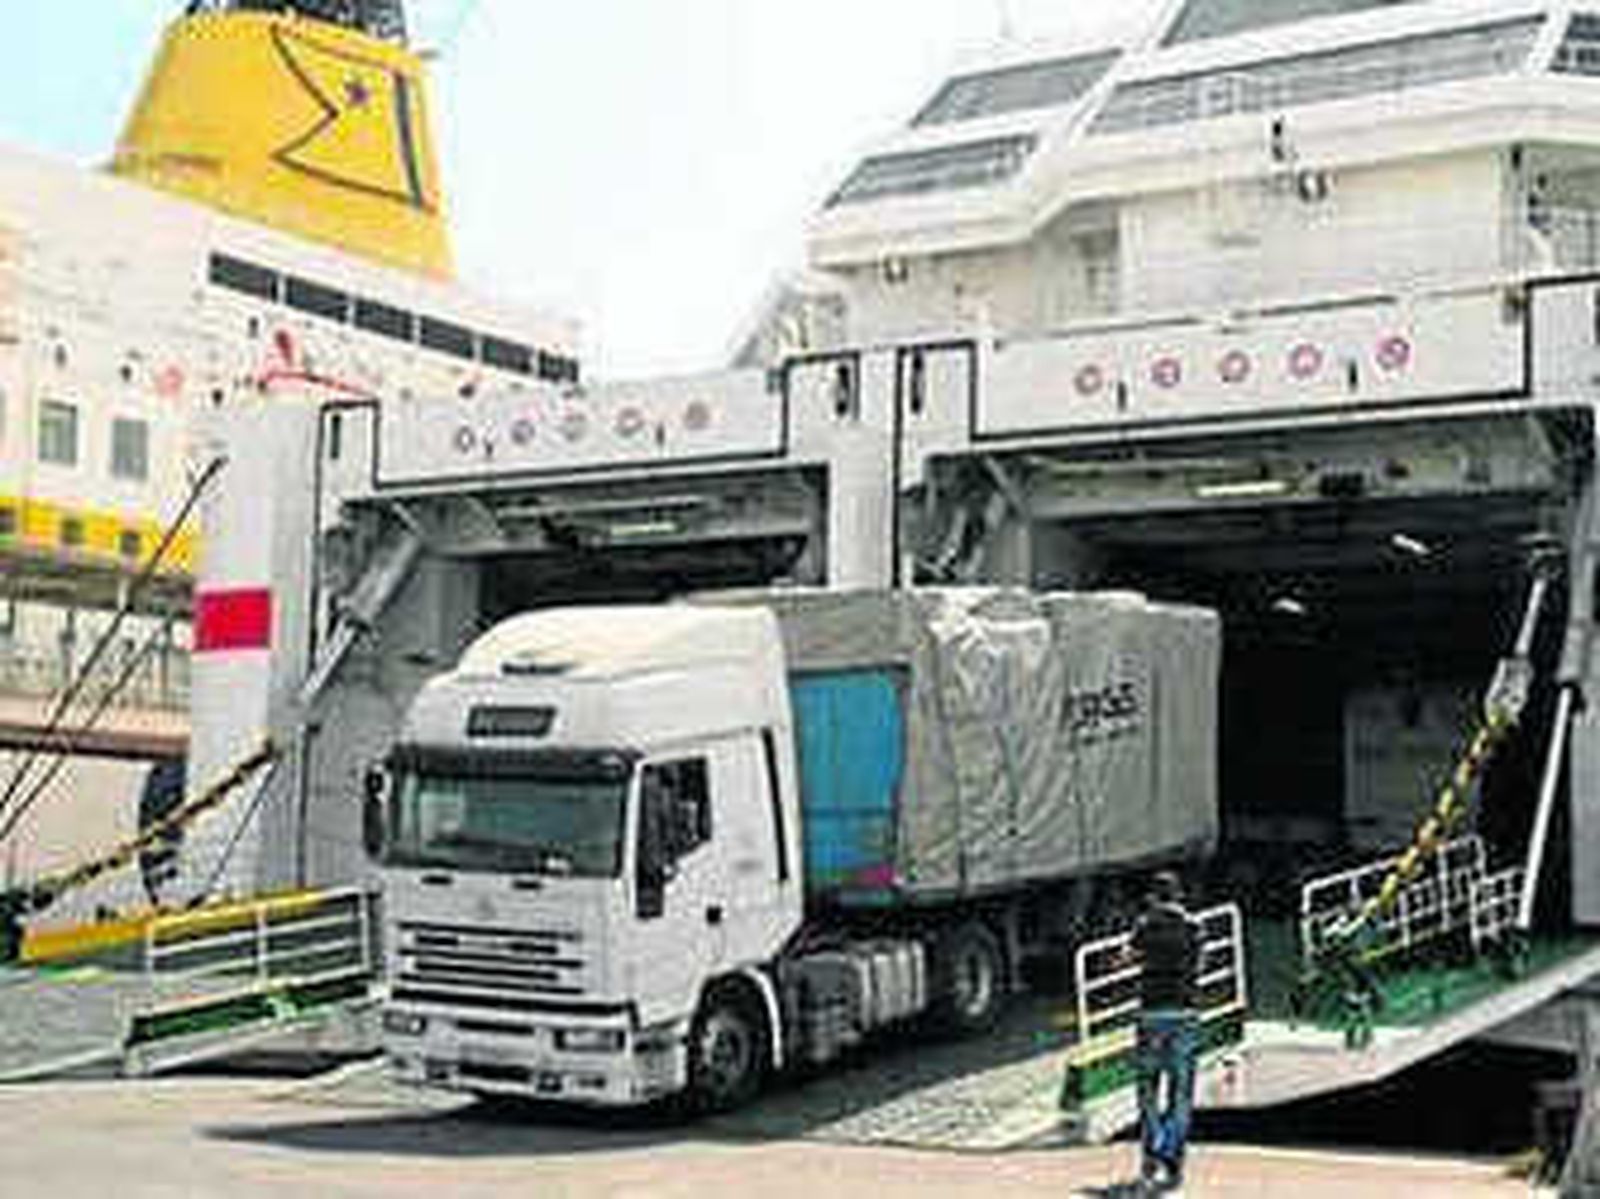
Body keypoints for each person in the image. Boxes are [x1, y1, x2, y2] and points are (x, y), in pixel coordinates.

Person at [1131, 870, 1202, 1193]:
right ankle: (1172, 1158)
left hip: (1151, 1012)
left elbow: (1128, 957)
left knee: (1148, 1089)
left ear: (1153, 897)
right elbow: (1199, 964)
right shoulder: (1194, 927)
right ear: (1179, 895)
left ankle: (1152, 1152)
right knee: (1181, 1091)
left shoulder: (1145, 926)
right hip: (1185, 1013)